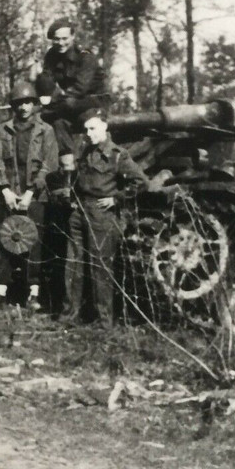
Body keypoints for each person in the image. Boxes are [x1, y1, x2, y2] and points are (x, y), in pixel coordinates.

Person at [61, 108, 151, 326]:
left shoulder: (117, 155)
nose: (89, 134)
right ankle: (69, 316)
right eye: (86, 130)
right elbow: (77, 179)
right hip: (79, 211)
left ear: (104, 126)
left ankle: (104, 320)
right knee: (73, 265)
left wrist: (117, 199)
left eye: (93, 128)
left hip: (102, 215)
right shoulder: (84, 152)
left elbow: (141, 182)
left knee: (100, 268)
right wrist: (73, 197)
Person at [0, 81, 59, 310]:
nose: (24, 107)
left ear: (35, 105)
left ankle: (32, 294)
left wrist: (30, 192)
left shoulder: (45, 131)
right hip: (7, 194)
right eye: (19, 103)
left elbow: (49, 164)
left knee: (32, 242)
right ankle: (0, 292)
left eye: (28, 102)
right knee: (4, 240)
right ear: (13, 106)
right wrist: (6, 190)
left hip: (34, 196)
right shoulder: (4, 129)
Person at [40, 18, 109, 163]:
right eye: (56, 39)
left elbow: (80, 88)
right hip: (70, 104)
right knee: (57, 122)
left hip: (93, 101)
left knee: (88, 122)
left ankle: (101, 164)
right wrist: (42, 93)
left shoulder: (85, 56)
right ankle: (68, 169)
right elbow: (47, 80)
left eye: (65, 38)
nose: (60, 43)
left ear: (72, 37)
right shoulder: (51, 55)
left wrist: (54, 100)